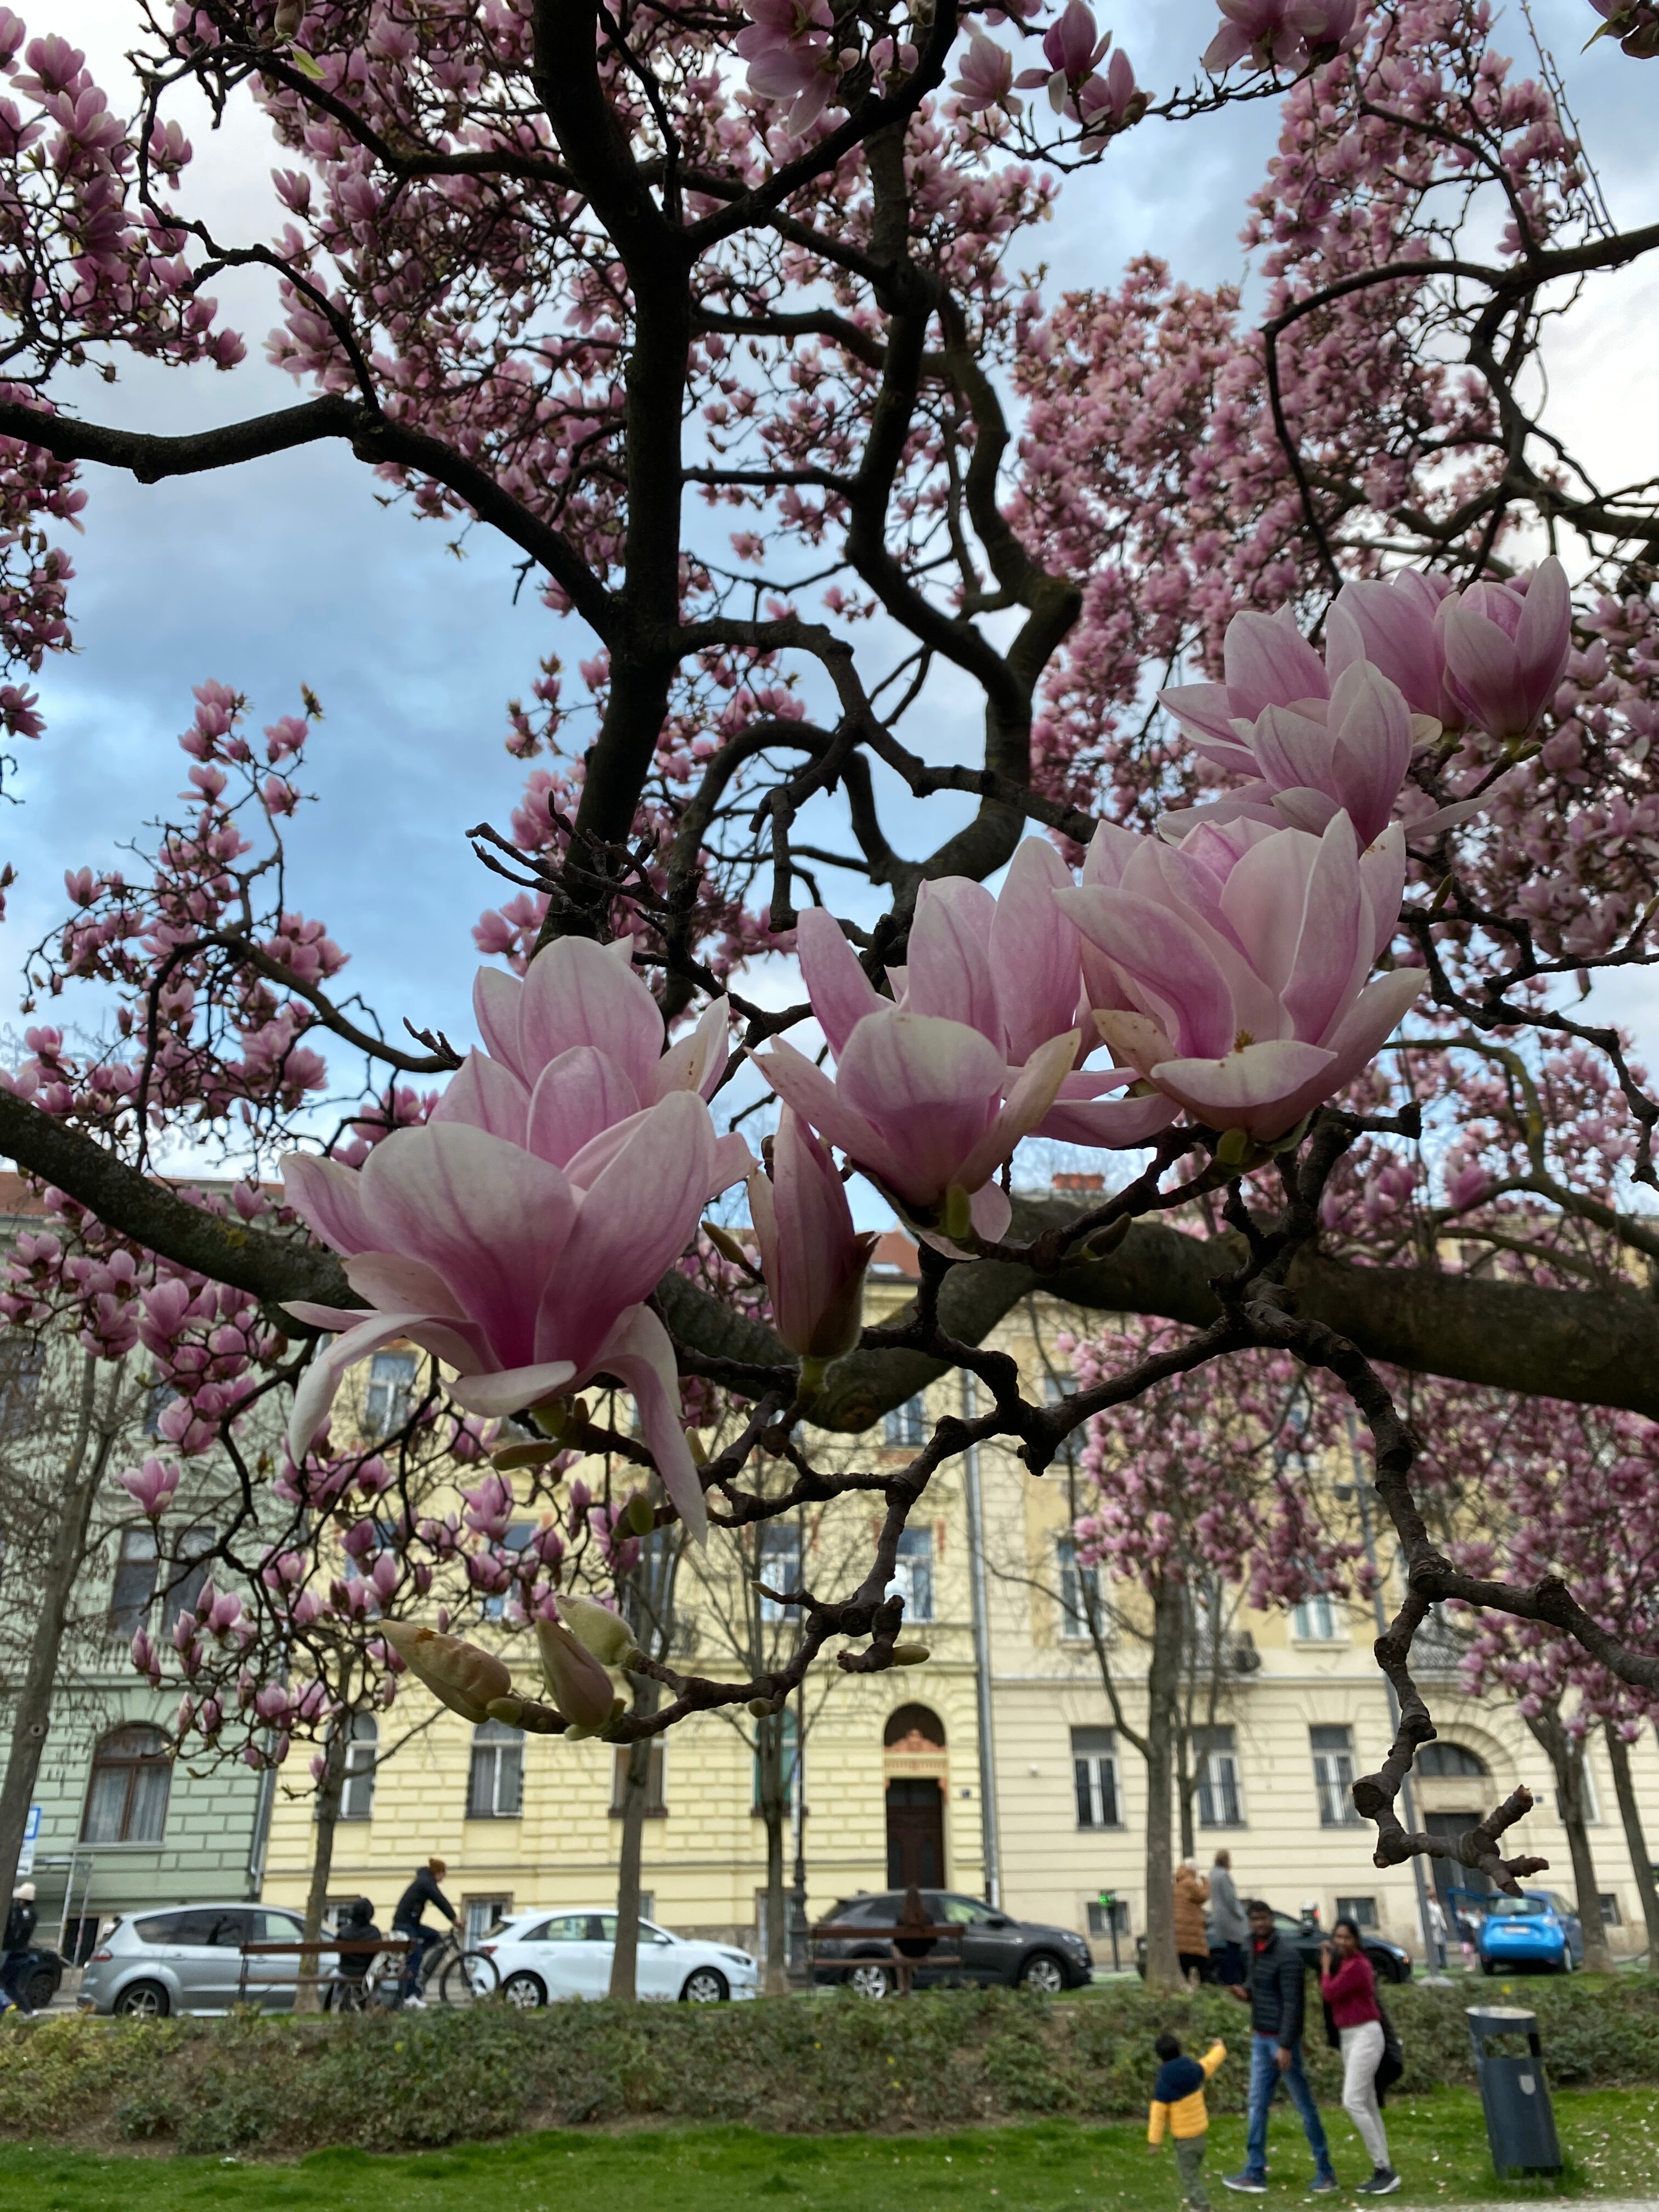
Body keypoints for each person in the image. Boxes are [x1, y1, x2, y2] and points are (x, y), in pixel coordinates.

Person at [1222, 1898, 1338, 2196]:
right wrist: (1245, 1994)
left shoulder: (1287, 1957)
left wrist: (1286, 2045)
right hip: (1261, 2039)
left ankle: (1326, 2172)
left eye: (1264, 1919)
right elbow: (1260, 1990)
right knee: (1256, 2105)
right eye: (1254, 1920)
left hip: (1280, 2042)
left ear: (1271, 1920)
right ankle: (1255, 2171)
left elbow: (1293, 2005)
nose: (1259, 1924)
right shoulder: (1253, 1950)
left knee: (1304, 2106)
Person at [1320, 1919, 1401, 2197]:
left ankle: (1384, 2169)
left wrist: (1324, 1967)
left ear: (1356, 1939)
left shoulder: (1359, 1966)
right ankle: (1384, 2168)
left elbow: (1329, 1993)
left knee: (1352, 2101)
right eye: (1337, 1937)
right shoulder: (1344, 1965)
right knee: (1366, 2102)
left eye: (1347, 1937)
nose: (1341, 1942)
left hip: (1366, 2034)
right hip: (1349, 2036)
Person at [1148, 2029, 1227, 2210]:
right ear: (1181, 2049)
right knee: (1193, 2170)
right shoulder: (1194, 2069)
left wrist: (1154, 2141)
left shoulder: (1164, 2084)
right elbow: (1210, 2062)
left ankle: (1202, 2207)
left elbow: (1158, 2115)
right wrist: (1220, 2049)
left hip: (1184, 2140)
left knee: (1189, 2177)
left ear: (1160, 2058)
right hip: (1200, 2135)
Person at [392, 1858, 456, 2007]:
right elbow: (440, 1900)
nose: (443, 1879)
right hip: (404, 1926)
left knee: (434, 1936)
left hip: (412, 1925)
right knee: (416, 1956)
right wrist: (454, 1918)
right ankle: (410, 1996)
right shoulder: (426, 1883)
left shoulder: (424, 1880)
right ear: (438, 1873)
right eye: (443, 1875)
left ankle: (415, 1961)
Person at [325, 1895, 382, 2012]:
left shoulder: (344, 1931)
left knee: (337, 1977)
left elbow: (337, 1948)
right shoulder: (375, 1933)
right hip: (367, 1974)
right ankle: (370, 2005)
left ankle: (336, 2004)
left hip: (346, 1972)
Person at [1209, 1850, 1248, 1988]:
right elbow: (1230, 1899)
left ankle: (1228, 1977)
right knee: (1234, 1949)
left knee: (1230, 1949)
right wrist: (1240, 1914)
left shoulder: (1213, 1874)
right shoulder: (1224, 1876)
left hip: (1219, 1916)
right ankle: (1232, 1979)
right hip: (1230, 1917)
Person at [0, 1882, 40, 2016]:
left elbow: (11, 1929)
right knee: (12, 1985)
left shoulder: (15, 1911)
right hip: (22, 1953)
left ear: (22, 1899)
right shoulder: (33, 1914)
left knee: (5, 1982)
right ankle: (29, 2012)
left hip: (7, 1950)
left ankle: (6, 2004)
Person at [1174, 1861, 1212, 1984]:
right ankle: (1206, 1992)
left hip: (1179, 1939)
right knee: (1204, 1969)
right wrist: (1206, 1883)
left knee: (1184, 1970)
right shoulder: (1190, 1883)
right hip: (1193, 1938)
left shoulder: (1177, 1885)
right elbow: (1202, 1896)